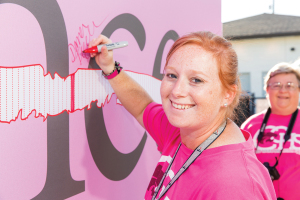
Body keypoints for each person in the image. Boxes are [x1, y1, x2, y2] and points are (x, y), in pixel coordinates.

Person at [89, 31, 276, 200]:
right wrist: (110, 68)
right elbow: (142, 107)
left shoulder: (234, 185)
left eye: (196, 80)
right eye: (172, 75)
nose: (177, 91)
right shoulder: (183, 131)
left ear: (228, 94)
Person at [241, 62, 300, 200]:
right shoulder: (250, 126)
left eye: (290, 85)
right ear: (267, 90)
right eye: (276, 85)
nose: (283, 90)